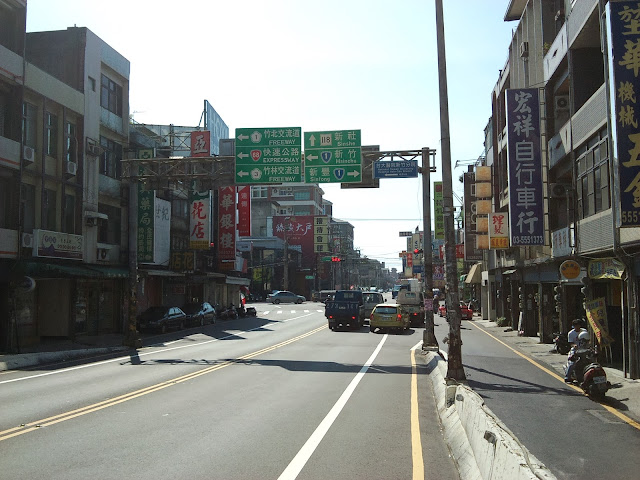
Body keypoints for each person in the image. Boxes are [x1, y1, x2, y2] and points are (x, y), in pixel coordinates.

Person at [565, 319, 588, 383]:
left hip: (584, 350)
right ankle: (567, 376)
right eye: (576, 326)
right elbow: (570, 343)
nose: (577, 327)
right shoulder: (571, 333)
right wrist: (574, 345)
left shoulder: (584, 331)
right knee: (572, 363)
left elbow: (587, 340)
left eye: (578, 325)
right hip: (575, 350)